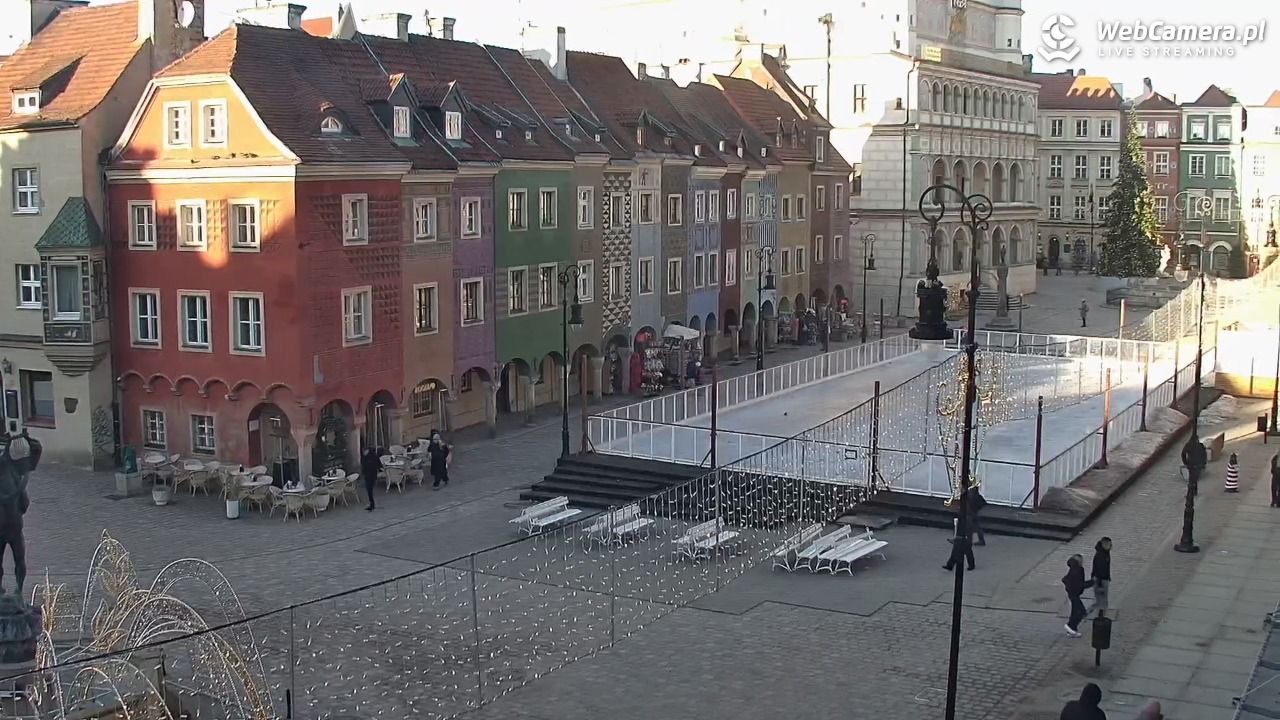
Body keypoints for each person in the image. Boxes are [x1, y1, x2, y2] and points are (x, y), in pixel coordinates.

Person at [1062, 554, 1093, 637]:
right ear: (1078, 561)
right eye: (1081, 560)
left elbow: (1065, 579)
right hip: (1073, 594)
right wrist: (1092, 582)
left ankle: (1072, 630)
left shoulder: (1077, 569)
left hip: (1074, 593)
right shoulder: (1076, 571)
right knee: (1080, 612)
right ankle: (1070, 626)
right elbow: (1080, 584)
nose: (1082, 562)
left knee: (1076, 612)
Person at [1091, 537, 1112, 616]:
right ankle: (1101, 614)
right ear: (1103, 544)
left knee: (1102, 598)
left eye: (1110, 544)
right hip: (1100, 579)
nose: (1109, 546)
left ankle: (1101, 612)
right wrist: (1099, 584)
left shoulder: (1105, 552)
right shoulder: (1100, 555)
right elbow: (1098, 570)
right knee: (1101, 598)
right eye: (1108, 544)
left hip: (1104, 578)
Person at [360, 446, 381, 512]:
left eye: (364, 452)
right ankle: (372, 503)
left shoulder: (373, 457)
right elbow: (363, 465)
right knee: (369, 490)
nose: (363, 453)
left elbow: (378, 464)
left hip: (371, 475)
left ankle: (372, 504)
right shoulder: (365, 457)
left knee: (369, 489)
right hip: (367, 475)